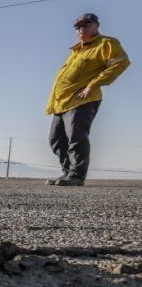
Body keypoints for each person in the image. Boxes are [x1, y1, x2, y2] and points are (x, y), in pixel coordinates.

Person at [45, 13, 130, 186]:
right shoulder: (76, 51)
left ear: (97, 25)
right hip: (61, 103)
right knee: (56, 140)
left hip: (82, 100)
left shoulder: (106, 43)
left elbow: (120, 62)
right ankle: (68, 173)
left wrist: (92, 85)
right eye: (78, 26)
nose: (82, 28)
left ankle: (77, 176)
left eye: (86, 24)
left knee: (76, 137)